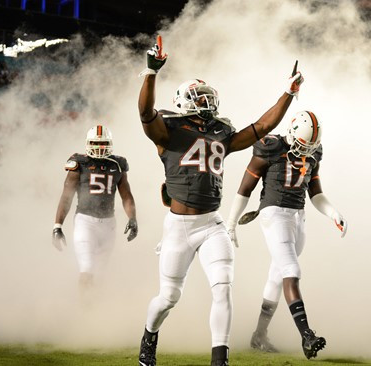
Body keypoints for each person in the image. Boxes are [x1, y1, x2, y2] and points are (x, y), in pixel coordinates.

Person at [136, 35, 304, 366]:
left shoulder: (221, 133)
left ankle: (220, 359)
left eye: (207, 97)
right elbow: (145, 112)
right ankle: (149, 337)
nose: (205, 102)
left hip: (212, 223)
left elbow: (261, 126)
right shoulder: (168, 129)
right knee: (169, 297)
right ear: (183, 100)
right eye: (198, 97)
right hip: (179, 226)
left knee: (223, 288)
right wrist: (151, 72)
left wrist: (288, 94)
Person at [225, 111, 348, 359]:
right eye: (302, 145)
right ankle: (307, 336)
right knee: (291, 270)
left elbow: (315, 192)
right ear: (291, 133)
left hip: (297, 216)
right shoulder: (270, 148)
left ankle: (259, 336)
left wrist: (333, 213)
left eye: (310, 148)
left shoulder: (314, 153)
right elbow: (245, 189)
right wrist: (231, 223)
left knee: (277, 275)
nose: (305, 152)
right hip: (274, 214)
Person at [52, 125, 138, 298]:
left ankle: (97, 307)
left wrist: (133, 218)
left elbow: (126, 195)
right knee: (87, 268)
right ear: (88, 143)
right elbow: (66, 197)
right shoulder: (79, 163)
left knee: (101, 274)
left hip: (109, 224)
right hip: (85, 221)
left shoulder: (118, 164)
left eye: (103, 143)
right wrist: (57, 225)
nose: (99, 148)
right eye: (95, 143)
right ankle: (84, 309)